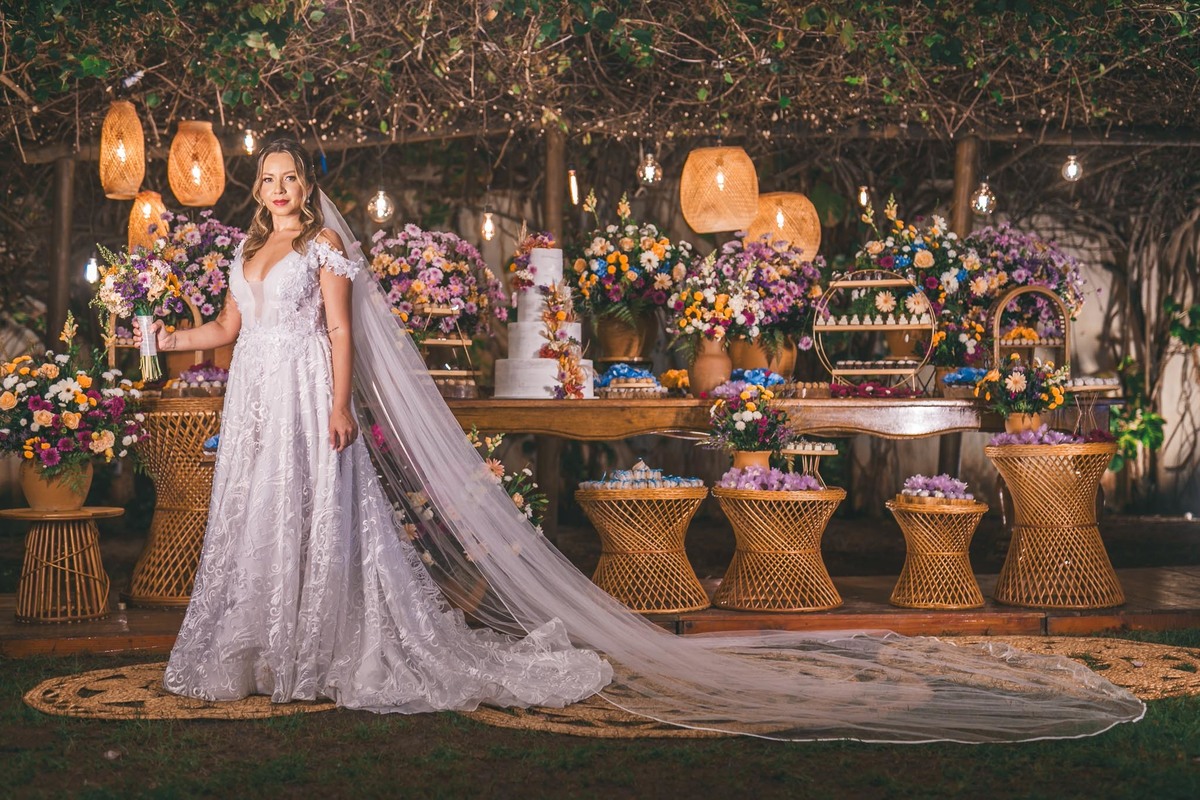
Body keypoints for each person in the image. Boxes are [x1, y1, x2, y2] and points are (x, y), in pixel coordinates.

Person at [138, 138, 1144, 741]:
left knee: (317, 519)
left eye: (288, 177)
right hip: (255, 399)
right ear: (255, 189)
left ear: (303, 187)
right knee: (259, 517)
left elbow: (341, 333)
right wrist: (160, 337)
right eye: (267, 178)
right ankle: (259, 647)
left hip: (307, 393)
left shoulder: (322, 247)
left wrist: (337, 405)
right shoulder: (245, 252)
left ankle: (321, 646)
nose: (278, 189)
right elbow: (226, 329)